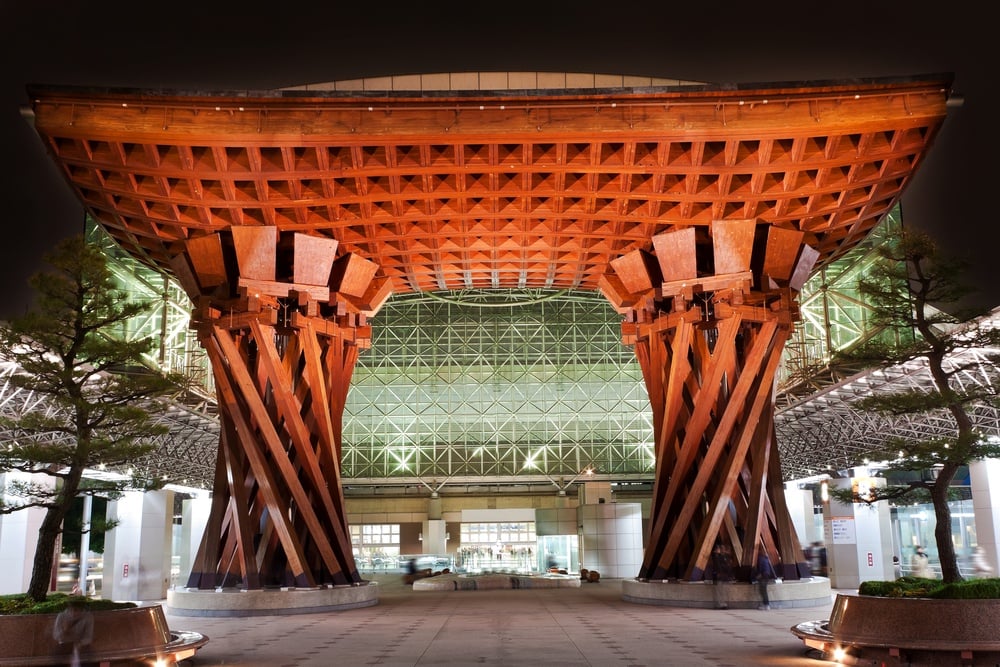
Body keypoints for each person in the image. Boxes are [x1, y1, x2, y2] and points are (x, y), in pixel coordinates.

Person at [53, 597, 93, 667]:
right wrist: (64, 630)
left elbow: (88, 637)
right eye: (72, 609)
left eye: (78, 610)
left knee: (87, 658)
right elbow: (56, 636)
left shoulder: (88, 617)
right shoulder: (62, 616)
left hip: (81, 646)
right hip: (64, 646)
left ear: (82, 609)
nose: (74, 613)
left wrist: (80, 643)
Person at [710, 543, 735, 609]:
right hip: (720, 577)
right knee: (720, 591)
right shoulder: (717, 557)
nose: (723, 550)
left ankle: (723, 604)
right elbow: (718, 566)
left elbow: (727, 567)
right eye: (722, 549)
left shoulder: (724, 557)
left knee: (723, 591)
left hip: (723, 577)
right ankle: (720, 604)